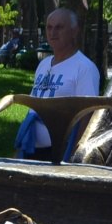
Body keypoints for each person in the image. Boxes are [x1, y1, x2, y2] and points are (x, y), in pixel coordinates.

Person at [23, 8, 100, 159]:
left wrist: (73, 154)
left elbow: (88, 113)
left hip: (60, 152)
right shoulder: (43, 65)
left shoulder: (84, 68)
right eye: (49, 27)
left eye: (59, 27)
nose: (53, 32)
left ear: (74, 31)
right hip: (32, 149)